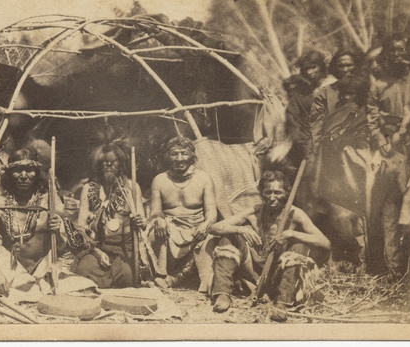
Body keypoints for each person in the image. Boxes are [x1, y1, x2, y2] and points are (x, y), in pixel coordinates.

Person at [208, 170, 330, 321]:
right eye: (268, 192)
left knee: (298, 247)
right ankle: (222, 295)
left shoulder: (295, 214)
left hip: (279, 274)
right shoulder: (254, 212)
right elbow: (213, 228)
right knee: (228, 238)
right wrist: (240, 229)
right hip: (254, 269)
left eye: (278, 193)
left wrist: (292, 234)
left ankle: (283, 302)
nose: (272, 198)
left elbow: (325, 243)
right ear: (261, 193)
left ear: (286, 193)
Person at [366, 33, 410, 278]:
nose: (398, 55)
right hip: (390, 149)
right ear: (386, 54)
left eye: (403, 50)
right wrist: (383, 142)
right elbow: (371, 117)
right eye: (394, 51)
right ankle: (393, 268)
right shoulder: (378, 83)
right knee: (389, 205)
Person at [0, 148, 66, 296]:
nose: (23, 176)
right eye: (17, 170)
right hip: (9, 266)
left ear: (37, 174)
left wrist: (57, 231)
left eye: (29, 170)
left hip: (43, 267)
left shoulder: (50, 202)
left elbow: (60, 249)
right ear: (9, 174)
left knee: (79, 287)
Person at [309, 73, 371, 265]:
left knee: (357, 212)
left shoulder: (362, 112)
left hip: (356, 164)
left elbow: (364, 135)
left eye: (351, 94)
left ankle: (361, 256)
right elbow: (324, 133)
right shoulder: (335, 113)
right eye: (343, 94)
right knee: (336, 210)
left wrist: (345, 139)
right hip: (333, 164)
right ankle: (347, 254)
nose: (346, 98)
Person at [71, 141, 145, 288]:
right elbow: (81, 228)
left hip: (124, 250)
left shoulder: (131, 187)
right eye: (104, 162)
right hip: (98, 247)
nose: (108, 165)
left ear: (120, 164)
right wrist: (97, 252)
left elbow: (143, 223)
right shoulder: (88, 189)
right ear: (97, 165)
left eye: (113, 162)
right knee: (83, 270)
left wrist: (139, 221)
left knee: (127, 277)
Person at [147, 136, 218, 291]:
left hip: (196, 229)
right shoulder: (159, 180)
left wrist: (205, 225)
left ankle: (176, 278)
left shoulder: (204, 178)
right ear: (167, 156)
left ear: (192, 155)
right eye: (174, 154)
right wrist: (159, 219)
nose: (179, 159)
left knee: (209, 239)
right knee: (154, 231)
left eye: (184, 153)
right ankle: (161, 273)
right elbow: (155, 212)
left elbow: (212, 214)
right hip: (170, 229)